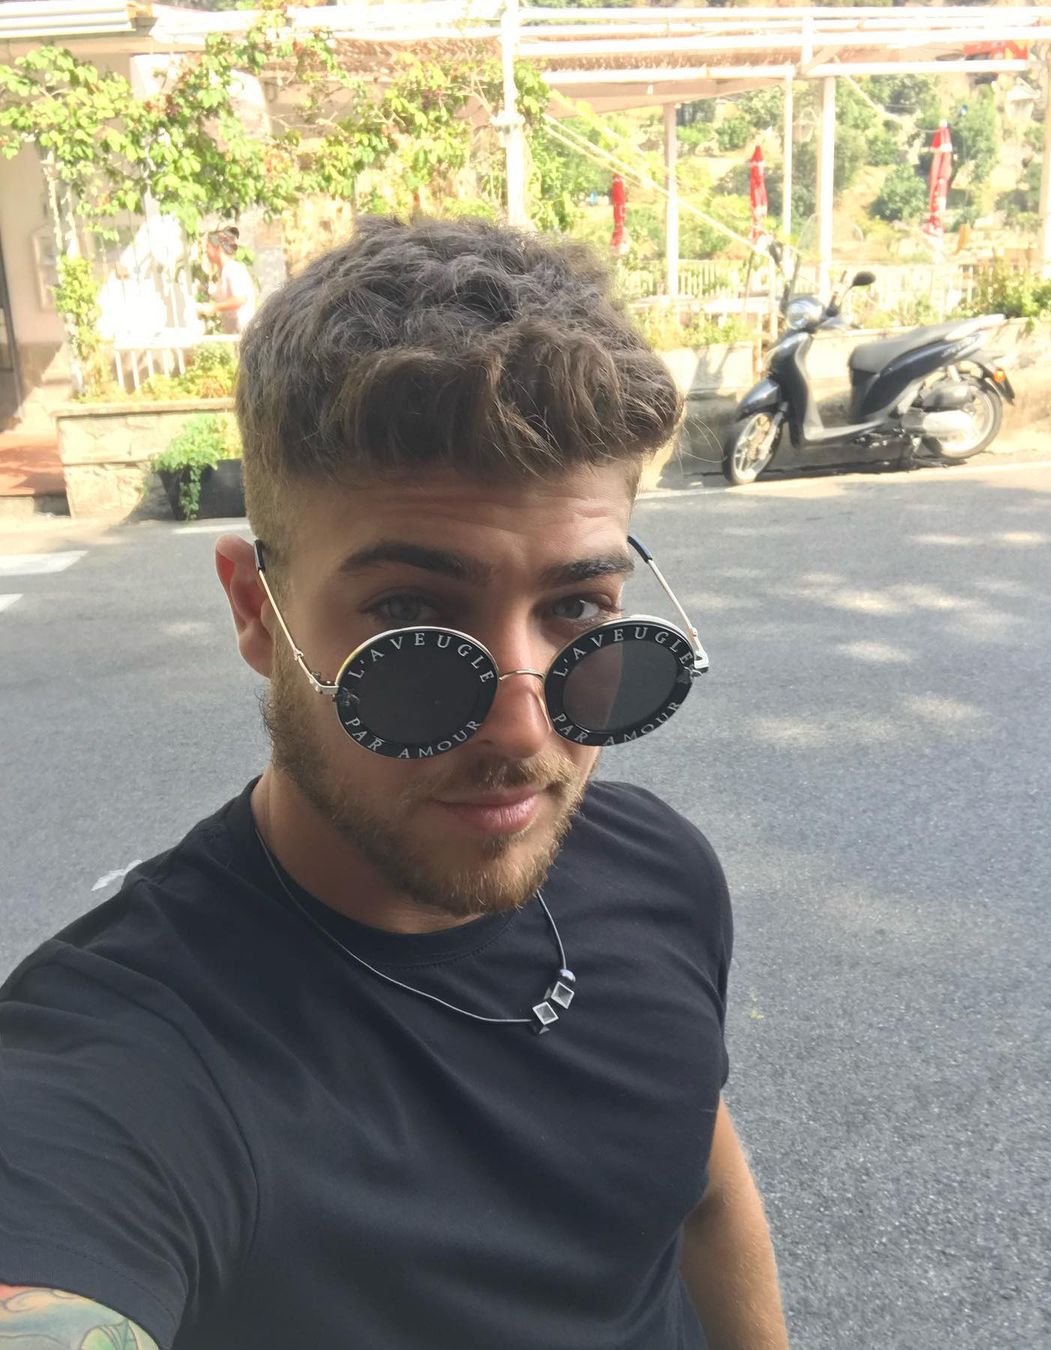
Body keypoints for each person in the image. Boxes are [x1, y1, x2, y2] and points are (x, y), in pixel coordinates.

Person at [0, 217, 789, 1350]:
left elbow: (699, 1199)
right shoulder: (129, 1060)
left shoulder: (658, 869)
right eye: (412, 618)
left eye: (577, 608)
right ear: (255, 611)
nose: (524, 729)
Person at [196, 225, 257, 334]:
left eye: (208, 247)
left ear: (217, 248)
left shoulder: (232, 269)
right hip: (233, 327)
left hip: (241, 327)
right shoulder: (224, 271)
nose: (206, 252)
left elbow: (240, 299)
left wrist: (214, 307)